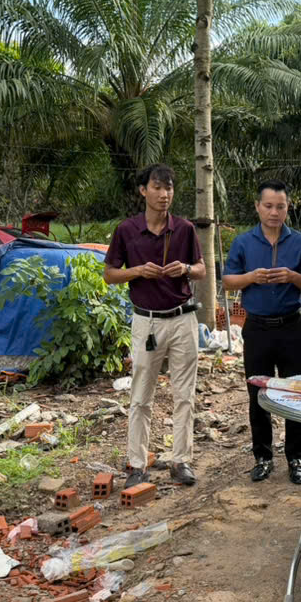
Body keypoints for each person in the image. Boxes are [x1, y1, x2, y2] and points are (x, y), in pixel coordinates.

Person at [104, 164, 206, 489]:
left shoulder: (185, 229)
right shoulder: (127, 230)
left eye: (170, 188)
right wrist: (137, 272)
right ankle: (137, 464)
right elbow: (109, 274)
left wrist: (187, 268)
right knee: (140, 396)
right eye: (158, 187)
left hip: (183, 318)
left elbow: (202, 269)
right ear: (143, 190)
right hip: (145, 321)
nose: (165, 194)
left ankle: (181, 461)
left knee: (184, 395)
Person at [223, 181, 301, 484]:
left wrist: (293, 277)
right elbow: (227, 281)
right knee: (258, 394)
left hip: (291, 326)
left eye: (280, 206)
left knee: (295, 394)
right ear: (257, 207)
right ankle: (263, 456)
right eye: (268, 206)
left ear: (288, 208)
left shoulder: (300, 242)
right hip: (257, 328)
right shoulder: (243, 242)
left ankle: (296, 457)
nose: (274, 212)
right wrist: (250, 277)